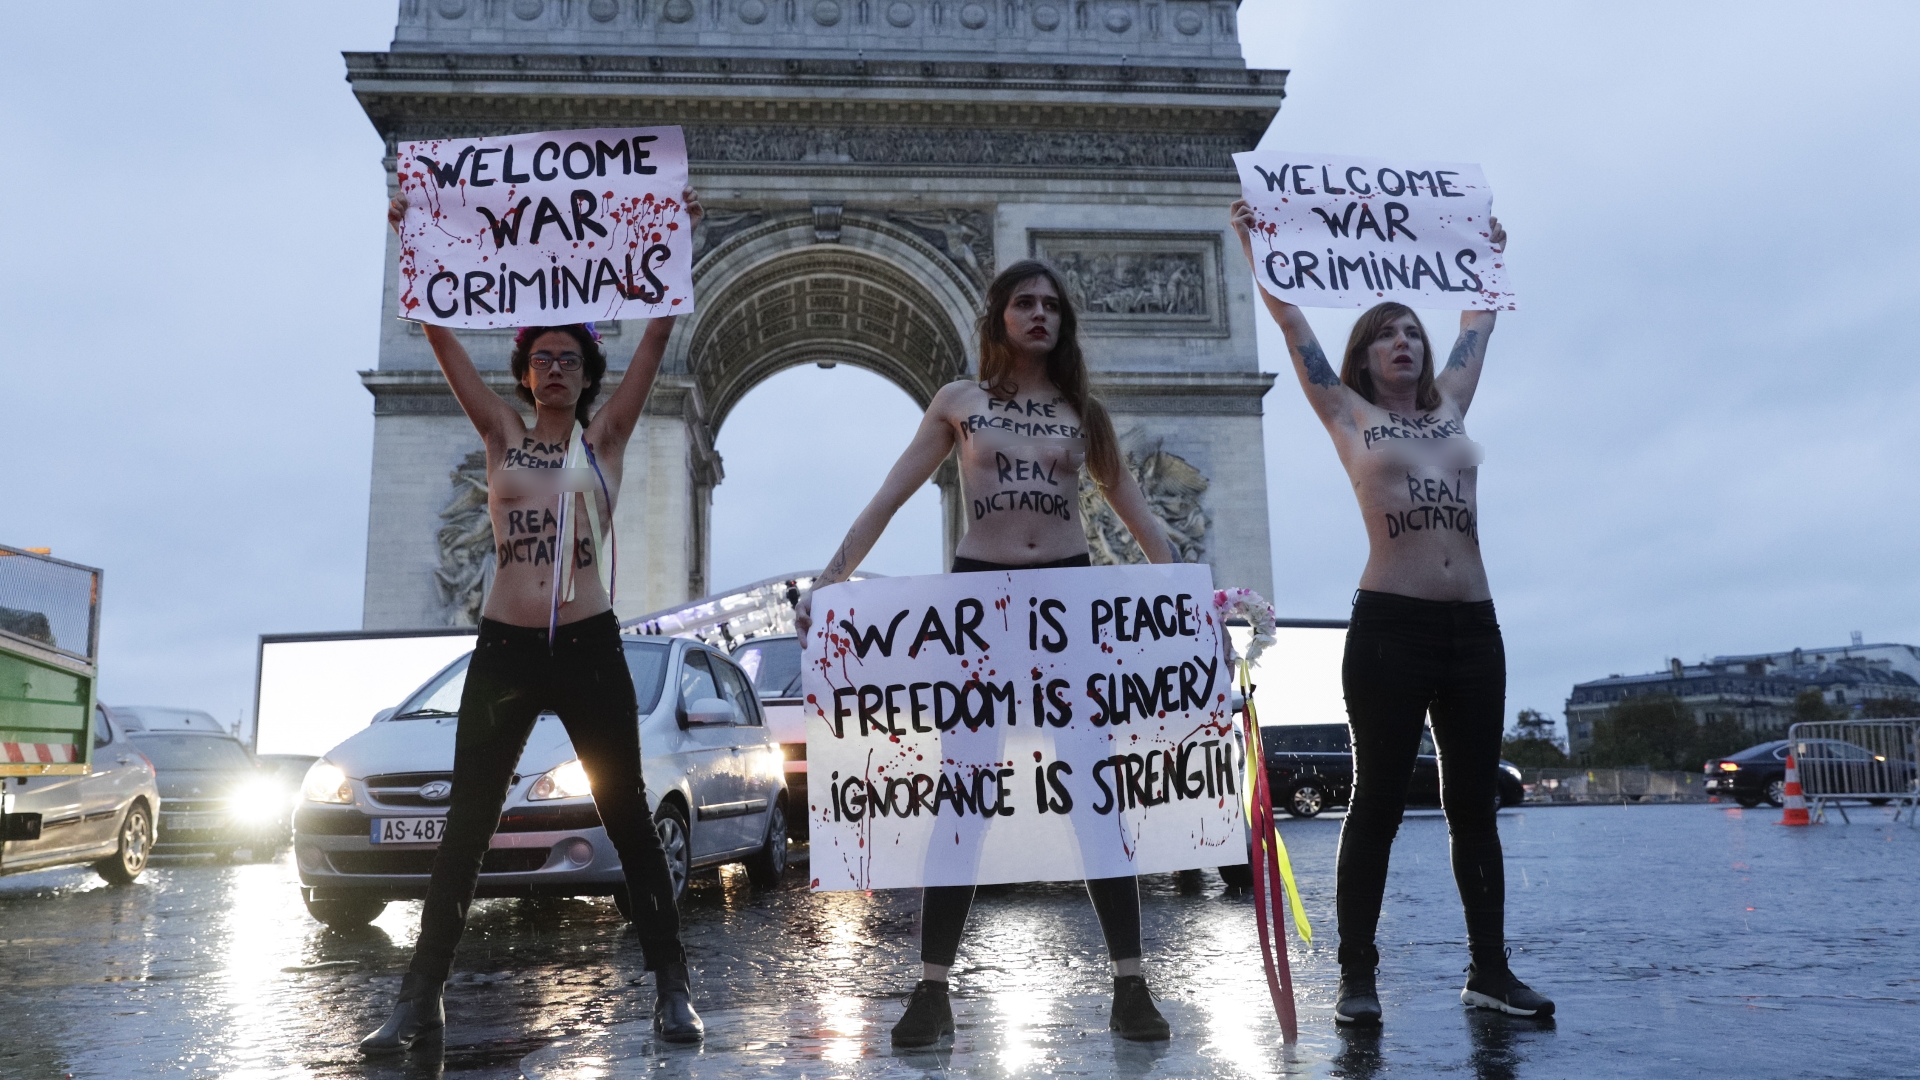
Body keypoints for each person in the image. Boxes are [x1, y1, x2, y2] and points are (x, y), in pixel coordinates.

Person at [793, 259, 1178, 1046]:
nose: (1040, 315)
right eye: (1024, 303)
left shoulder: (1085, 412)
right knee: (962, 793)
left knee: (1095, 790)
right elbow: (890, 494)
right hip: (981, 602)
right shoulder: (958, 403)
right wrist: (831, 582)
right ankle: (932, 991)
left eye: (1052, 306)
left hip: (1068, 601)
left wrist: (1202, 596)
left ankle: (1130, 984)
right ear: (997, 315)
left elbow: (1140, 516)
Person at [360, 189, 707, 1053]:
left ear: (589, 375)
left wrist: (677, 237)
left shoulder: (609, 440)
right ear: (525, 373)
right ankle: (417, 999)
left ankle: (672, 987)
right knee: (469, 823)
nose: (555, 369)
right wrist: (410, 239)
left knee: (625, 815)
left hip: (589, 646)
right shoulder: (500, 434)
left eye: (570, 359)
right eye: (542, 357)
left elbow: (659, 334)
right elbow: (440, 338)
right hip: (505, 649)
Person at [1228, 201, 1553, 1024]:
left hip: (1475, 629)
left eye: (1412, 330)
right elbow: (1295, 325)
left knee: (1473, 805)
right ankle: (1357, 977)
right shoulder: (1347, 414)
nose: (1405, 341)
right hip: (1390, 629)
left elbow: (1481, 319)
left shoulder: (1450, 408)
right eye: (1387, 334)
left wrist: (1488, 255)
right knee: (1375, 798)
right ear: (1366, 357)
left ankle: (1490, 971)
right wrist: (1258, 247)